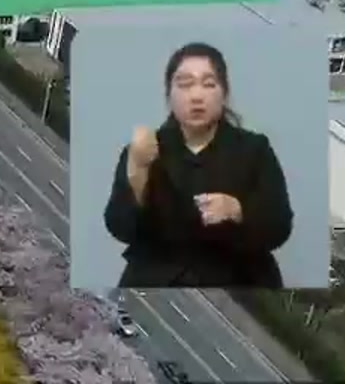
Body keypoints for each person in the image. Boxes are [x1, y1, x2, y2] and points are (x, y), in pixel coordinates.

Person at [104, 41, 293, 288]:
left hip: (237, 281)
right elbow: (120, 228)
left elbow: (279, 226)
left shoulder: (255, 150)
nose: (196, 96)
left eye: (208, 84)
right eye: (184, 85)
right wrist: (138, 171)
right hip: (155, 279)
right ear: (169, 95)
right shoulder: (145, 149)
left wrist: (237, 210)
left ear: (224, 93)